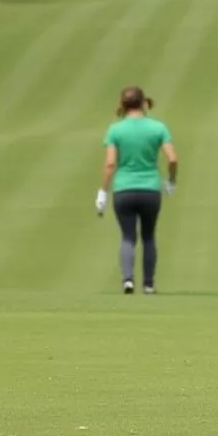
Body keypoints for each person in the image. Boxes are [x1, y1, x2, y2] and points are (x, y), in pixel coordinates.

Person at [95, 86, 177, 294]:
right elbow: (173, 159)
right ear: (143, 103)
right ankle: (148, 284)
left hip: (124, 190)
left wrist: (103, 192)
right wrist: (171, 181)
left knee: (128, 237)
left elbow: (110, 164)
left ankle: (128, 280)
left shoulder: (115, 129)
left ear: (123, 105)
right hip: (150, 189)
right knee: (149, 237)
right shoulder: (158, 128)